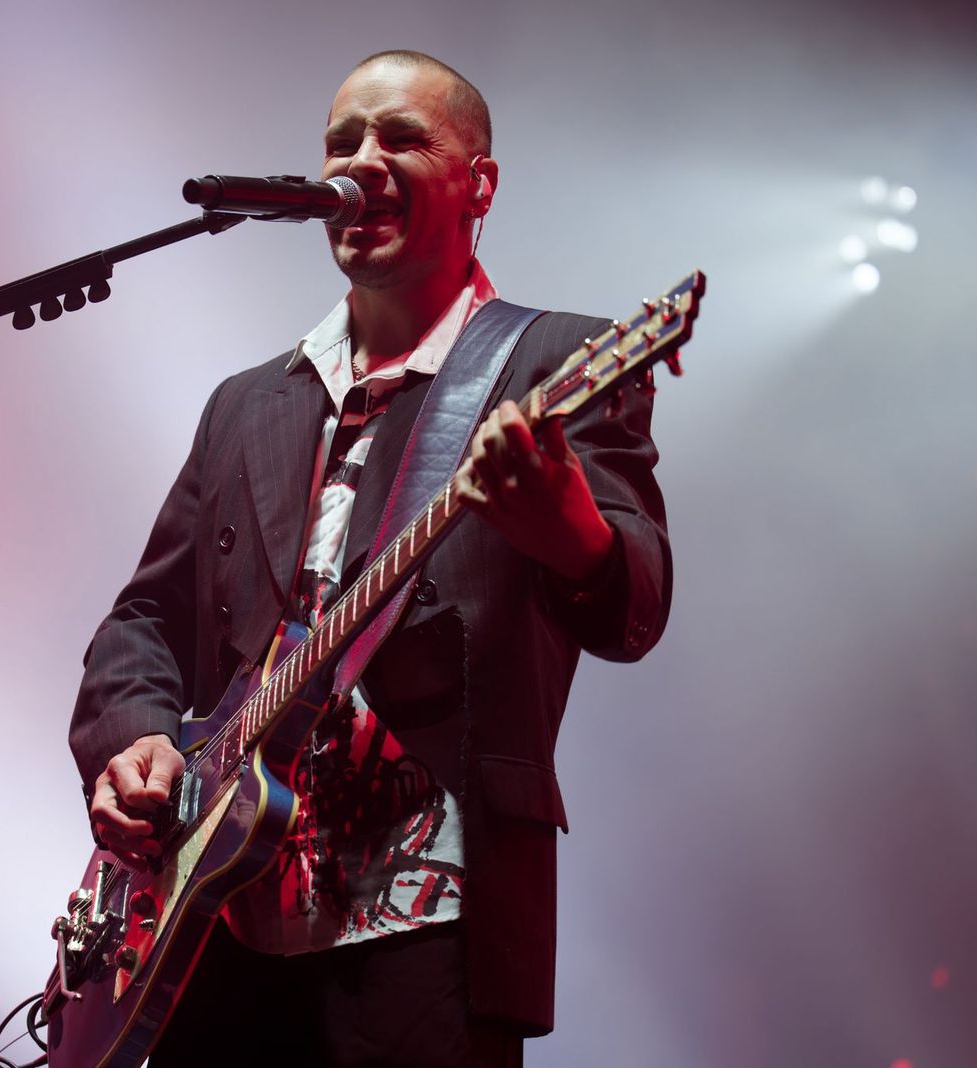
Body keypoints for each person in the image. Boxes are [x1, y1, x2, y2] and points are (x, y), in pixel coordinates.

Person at [69, 48, 671, 1067]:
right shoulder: (247, 403)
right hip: (216, 926)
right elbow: (145, 621)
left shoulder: (554, 361)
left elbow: (634, 602)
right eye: (342, 142)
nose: (362, 160)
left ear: (479, 183)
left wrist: (563, 523)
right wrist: (135, 741)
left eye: (401, 138)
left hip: (427, 928)